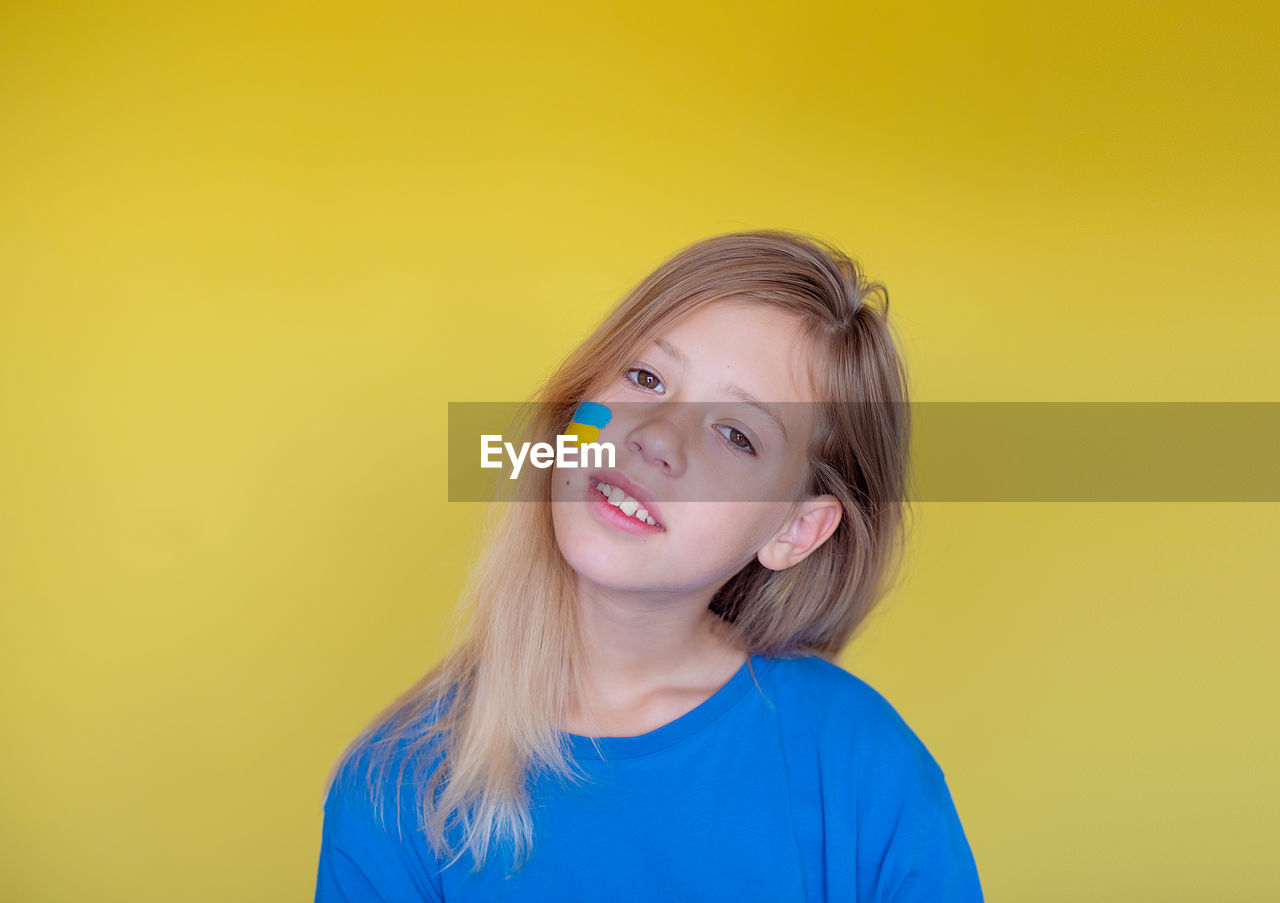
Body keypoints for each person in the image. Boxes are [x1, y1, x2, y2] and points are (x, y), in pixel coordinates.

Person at [314, 229, 984, 901]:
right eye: (645, 377)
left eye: (736, 434)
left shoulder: (862, 767)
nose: (655, 437)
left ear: (795, 529)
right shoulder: (395, 789)